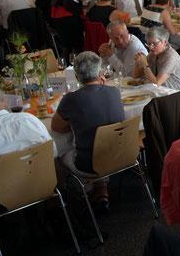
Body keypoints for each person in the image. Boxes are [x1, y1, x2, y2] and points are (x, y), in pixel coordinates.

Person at [51, 52, 125, 207]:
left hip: (89, 164)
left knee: (60, 152)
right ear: (99, 73)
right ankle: (101, 189)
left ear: (77, 76)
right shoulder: (114, 91)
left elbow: (56, 127)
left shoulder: (71, 99)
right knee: (97, 142)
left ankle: (65, 202)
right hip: (121, 153)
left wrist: (75, 126)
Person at [0, 86, 53, 204]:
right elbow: (53, 152)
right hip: (42, 183)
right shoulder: (30, 118)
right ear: (5, 102)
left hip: (2, 199)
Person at [133, 27, 180, 93]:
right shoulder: (153, 53)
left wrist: (145, 64)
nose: (151, 47)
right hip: (164, 91)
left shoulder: (171, 57)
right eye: (148, 44)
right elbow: (136, 76)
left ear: (164, 42)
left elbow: (156, 84)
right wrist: (137, 62)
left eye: (154, 44)